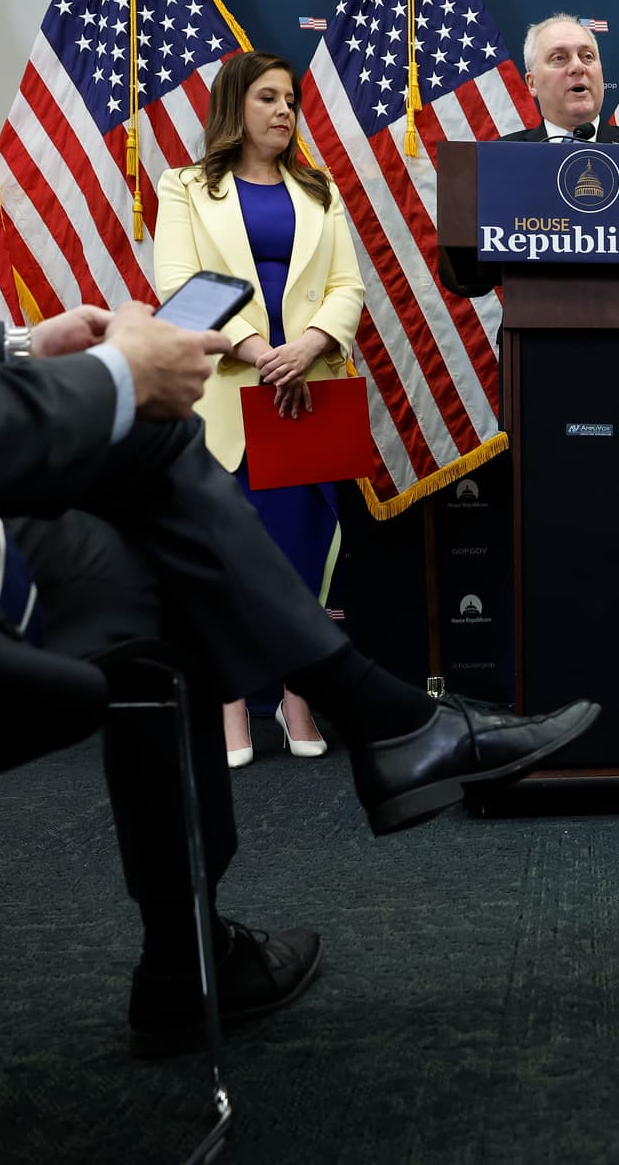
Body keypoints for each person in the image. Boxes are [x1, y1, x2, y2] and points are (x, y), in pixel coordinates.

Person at [0, 0, 599, 1057]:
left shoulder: (317, 192)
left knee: (161, 521)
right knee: (161, 527)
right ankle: (309, 810)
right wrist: (121, 375)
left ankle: (302, 816)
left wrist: (16, 343)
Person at [155, 51, 363, 769]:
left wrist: (306, 347)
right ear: (234, 106)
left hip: (307, 394)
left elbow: (348, 286)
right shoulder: (184, 186)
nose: (284, 111)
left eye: (291, 100)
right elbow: (179, 285)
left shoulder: (318, 188)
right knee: (226, 560)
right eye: (268, 98)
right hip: (227, 395)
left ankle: (297, 697)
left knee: (303, 554)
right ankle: (232, 702)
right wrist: (257, 349)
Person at [499, 14, 619, 144]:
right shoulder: (501, 157)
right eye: (559, 58)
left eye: (587, 56)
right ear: (532, 83)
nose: (578, 67)